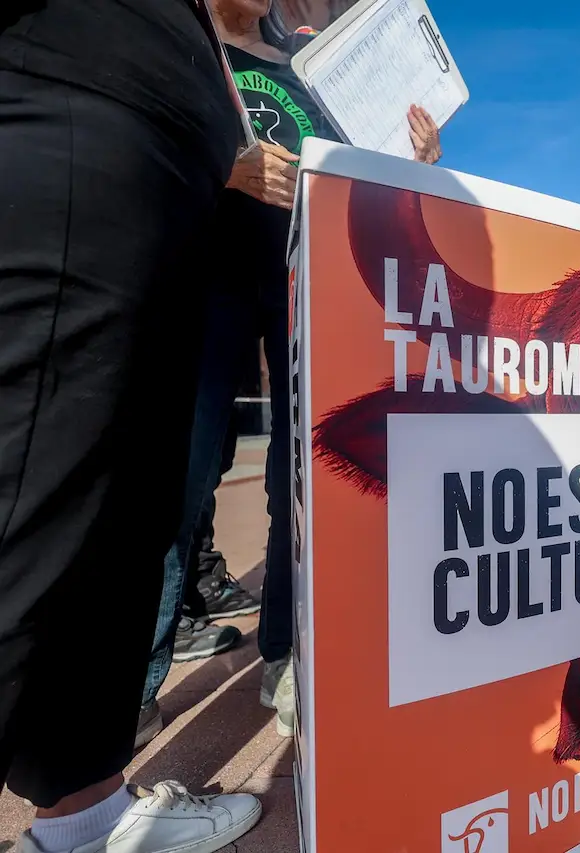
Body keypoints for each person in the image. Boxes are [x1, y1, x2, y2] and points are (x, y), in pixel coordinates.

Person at [1, 2, 268, 852]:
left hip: (164, 168)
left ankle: (84, 819)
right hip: (87, 99)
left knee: (119, 517)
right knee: (39, 491)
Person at [141, 0, 445, 742]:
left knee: (298, 477)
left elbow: (354, 174)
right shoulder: (179, 37)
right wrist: (229, 165)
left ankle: (284, 651)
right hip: (203, 276)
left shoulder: (313, 57)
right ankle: (131, 687)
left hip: (303, 284)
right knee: (176, 474)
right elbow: (140, 145)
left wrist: (410, 156)